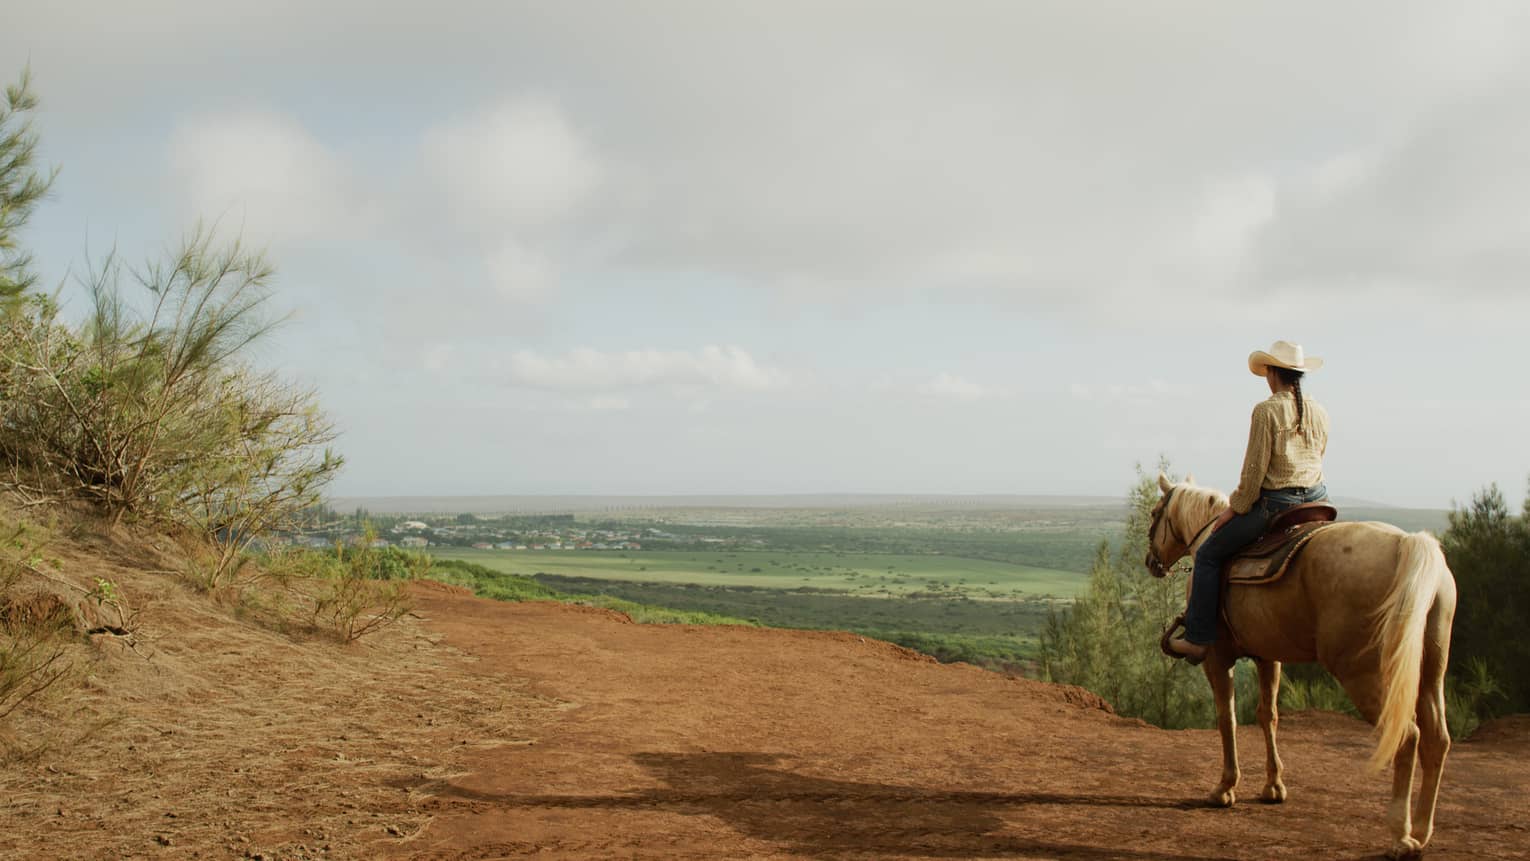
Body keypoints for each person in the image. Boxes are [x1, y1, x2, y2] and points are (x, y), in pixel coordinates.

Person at [1167, 340, 1331, 663]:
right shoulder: (1320, 411)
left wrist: (1234, 509)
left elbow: (1254, 474)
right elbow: (1319, 457)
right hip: (1318, 501)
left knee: (1209, 556)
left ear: (1271, 373)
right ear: (1298, 374)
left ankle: (1198, 639)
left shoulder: (1266, 411)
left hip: (1277, 506)